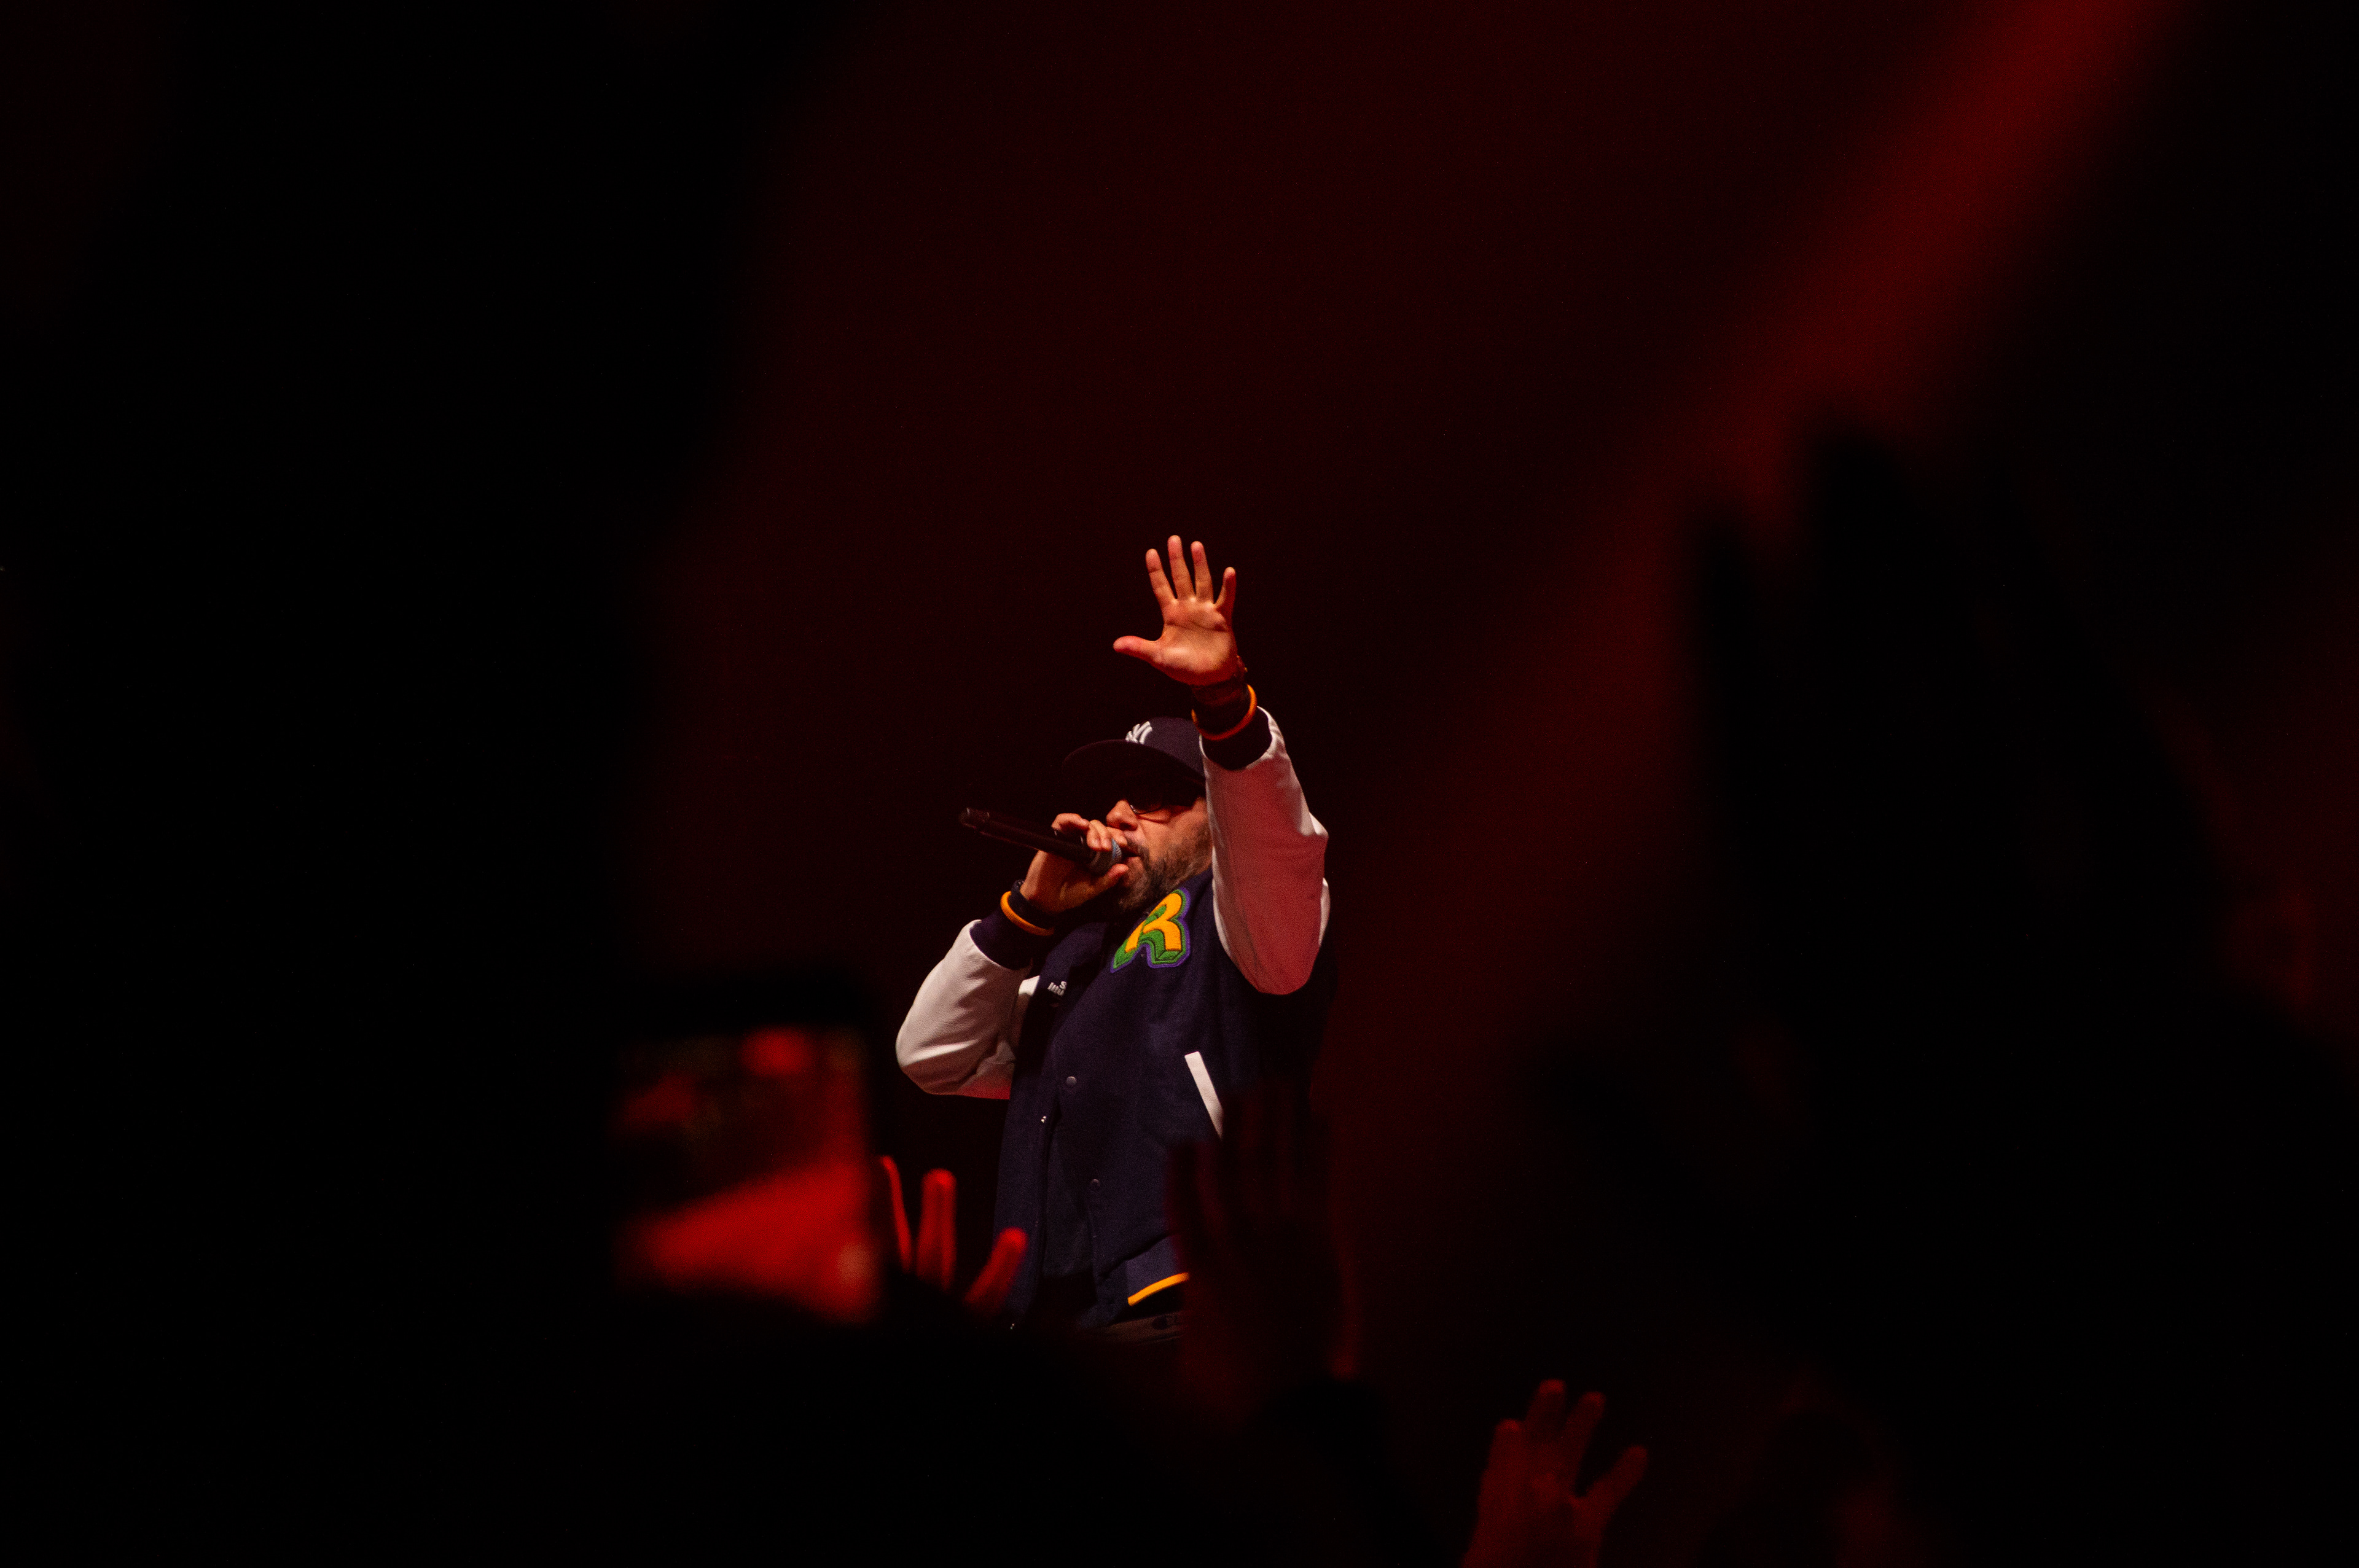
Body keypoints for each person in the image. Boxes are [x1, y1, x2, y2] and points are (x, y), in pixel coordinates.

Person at [897, 537, 1333, 1329]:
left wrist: (1225, 706)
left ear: (1217, 819)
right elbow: (929, 1054)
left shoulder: (1243, 919)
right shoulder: (1074, 962)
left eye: (1157, 796)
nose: (1122, 814)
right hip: (1061, 1326)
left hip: (1197, 1301)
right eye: (1116, 797)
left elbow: (1276, 841)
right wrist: (1025, 915)